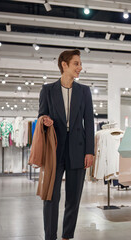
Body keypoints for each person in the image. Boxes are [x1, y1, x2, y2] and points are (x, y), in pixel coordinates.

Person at [38, 49, 95, 240]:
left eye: (80, 63)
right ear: (64, 65)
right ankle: (50, 236)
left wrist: (90, 151)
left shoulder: (84, 91)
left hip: (78, 150)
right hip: (54, 150)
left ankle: (67, 235)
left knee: (73, 198)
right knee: (51, 197)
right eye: (76, 63)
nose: (80, 67)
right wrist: (45, 120)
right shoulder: (47, 90)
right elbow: (41, 115)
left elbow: (89, 122)